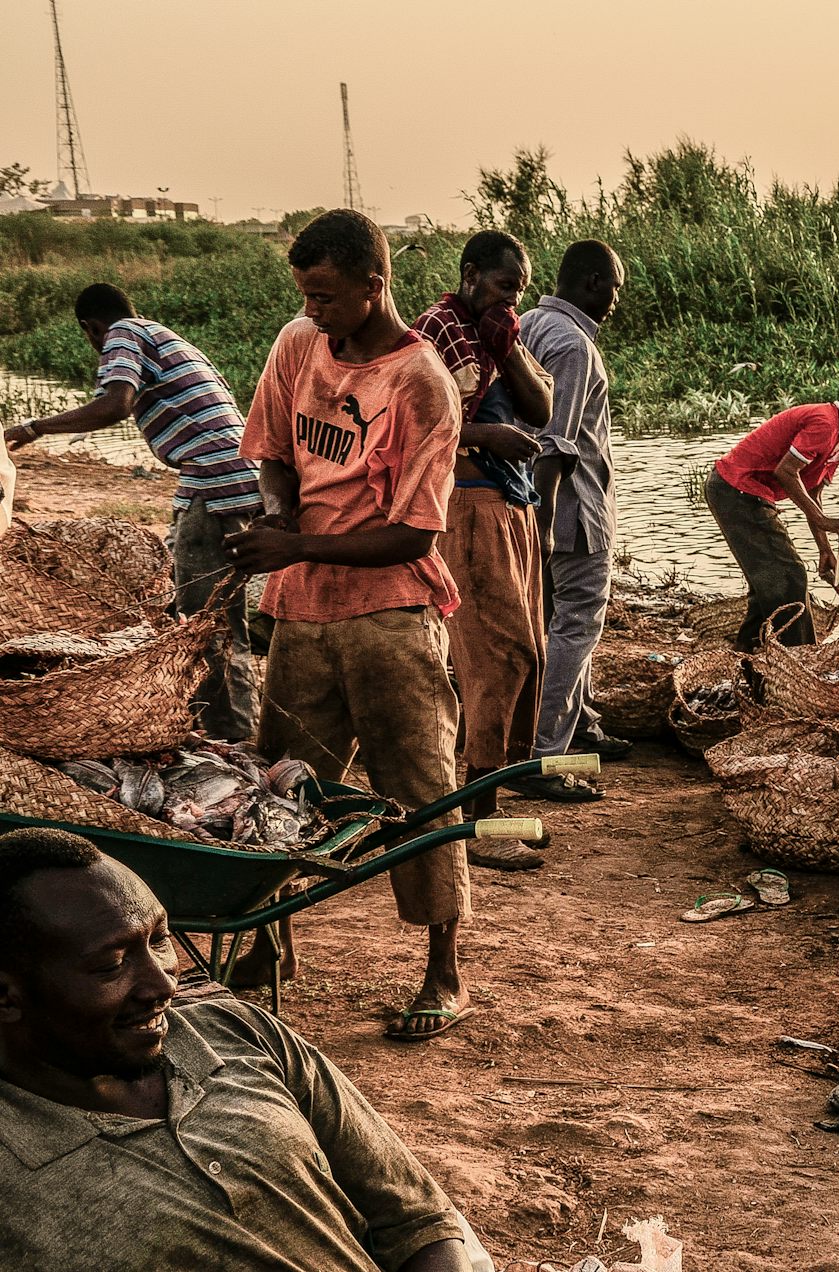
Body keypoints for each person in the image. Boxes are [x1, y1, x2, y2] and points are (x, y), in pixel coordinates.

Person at [0, 827, 472, 1271]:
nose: (163, 982)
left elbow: (418, 1219)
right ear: (6, 995)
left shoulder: (238, 1032)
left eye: (160, 939)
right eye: (112, 963)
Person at [225, 209, 473, 1042]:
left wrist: (291, 540)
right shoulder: (299, 345)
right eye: (305, 295)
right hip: (303, 611)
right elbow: (270, 451)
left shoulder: (421, 384)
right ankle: (261, 952)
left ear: (376, 285)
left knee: (420, 791)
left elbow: (413, 533)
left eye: (327, 296)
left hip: (391, 617)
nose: (314, 311)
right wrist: (276, 519)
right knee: (276, 789)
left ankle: (444, 971)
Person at [4, 284, 263, 740]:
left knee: (207, 623)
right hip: (224, 477)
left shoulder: (121, 334)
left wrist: (34, 427)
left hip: (215, 480)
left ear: (91, 328)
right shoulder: (159, 333)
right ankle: (222, 724)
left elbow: (116, 403)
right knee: (209, 609)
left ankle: (229, 738)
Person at [413, 231, 554, 869]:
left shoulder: (499, 336)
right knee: (495, 656)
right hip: (468, 506)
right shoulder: (434, 332)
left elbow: (543, 409)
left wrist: (509, 340)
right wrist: (488, 433)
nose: (510, 299)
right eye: (503, 287)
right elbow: (411, 422)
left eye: (519, 290)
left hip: (512, 506)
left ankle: (493, 794)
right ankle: (480, 823)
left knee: (528, 652)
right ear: (470, 276)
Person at [511, 240, 627, 803]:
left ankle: (574, 728)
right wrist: (547, 518)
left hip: (530, 503)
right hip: (572, 510)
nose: (616, 301)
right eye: (615, 288)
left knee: (552, 625)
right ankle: (543, 758)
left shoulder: (527, 324)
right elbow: (556, 443)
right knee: (578, 627)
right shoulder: (576, 345)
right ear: (591, 283)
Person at [705, 378, 839, 650]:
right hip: (737, 489)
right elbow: (785, 471)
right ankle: (802, 659)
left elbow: (814, 494)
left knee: (768, 581)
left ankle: (746, 654)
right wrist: (823, 521)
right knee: (791, 576)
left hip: (745, 492)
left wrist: (824, 549)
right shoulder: (825, 423)